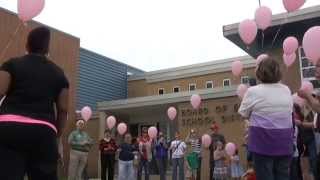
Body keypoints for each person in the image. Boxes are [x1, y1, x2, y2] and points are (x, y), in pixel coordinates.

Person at [0, 26, 69, 180]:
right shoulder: (59, 73)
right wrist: (56, 136)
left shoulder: (12, 64)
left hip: (10, 129)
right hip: (43, 132)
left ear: (27, 45)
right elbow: (63, 109)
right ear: (47, 49)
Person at [238, 57, 293, 180]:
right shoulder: (286, 90)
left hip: (262, 145)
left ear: (259, 72)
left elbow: (243, 113)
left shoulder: (253, 91)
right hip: (284, 144)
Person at [290, 104, 303, 180]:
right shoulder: (295, 124)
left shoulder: (295, 125)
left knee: (293, 174)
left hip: (293, 154)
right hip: (293, 154)